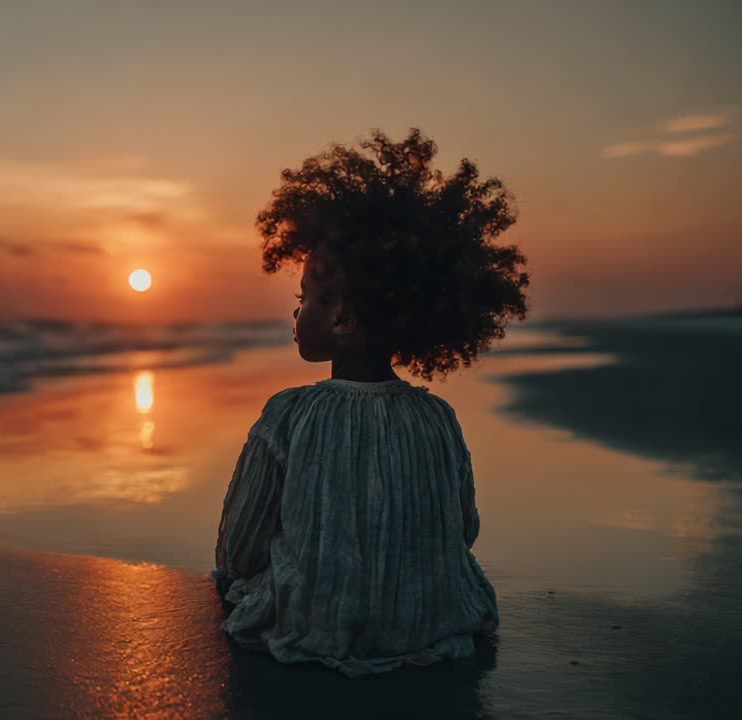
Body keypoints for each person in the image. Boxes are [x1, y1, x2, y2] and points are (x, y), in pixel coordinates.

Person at [213, 129, 529, 677]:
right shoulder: (438, 417)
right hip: (435, 624)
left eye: (304, 298)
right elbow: (463, 530)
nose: (296, 314)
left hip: (316, 631)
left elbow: (239, 549)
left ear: (342, 318)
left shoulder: (289, 416)